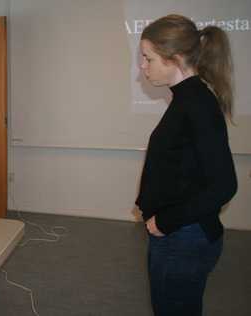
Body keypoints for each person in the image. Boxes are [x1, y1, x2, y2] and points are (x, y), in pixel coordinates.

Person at [135, 15, 238, 316]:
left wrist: (167, 221)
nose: (143, 66)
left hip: (183, 238)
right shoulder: (185, 98)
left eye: (148, 58)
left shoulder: (196, 103)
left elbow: (223, 184)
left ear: (176, 59)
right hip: (176, 236)